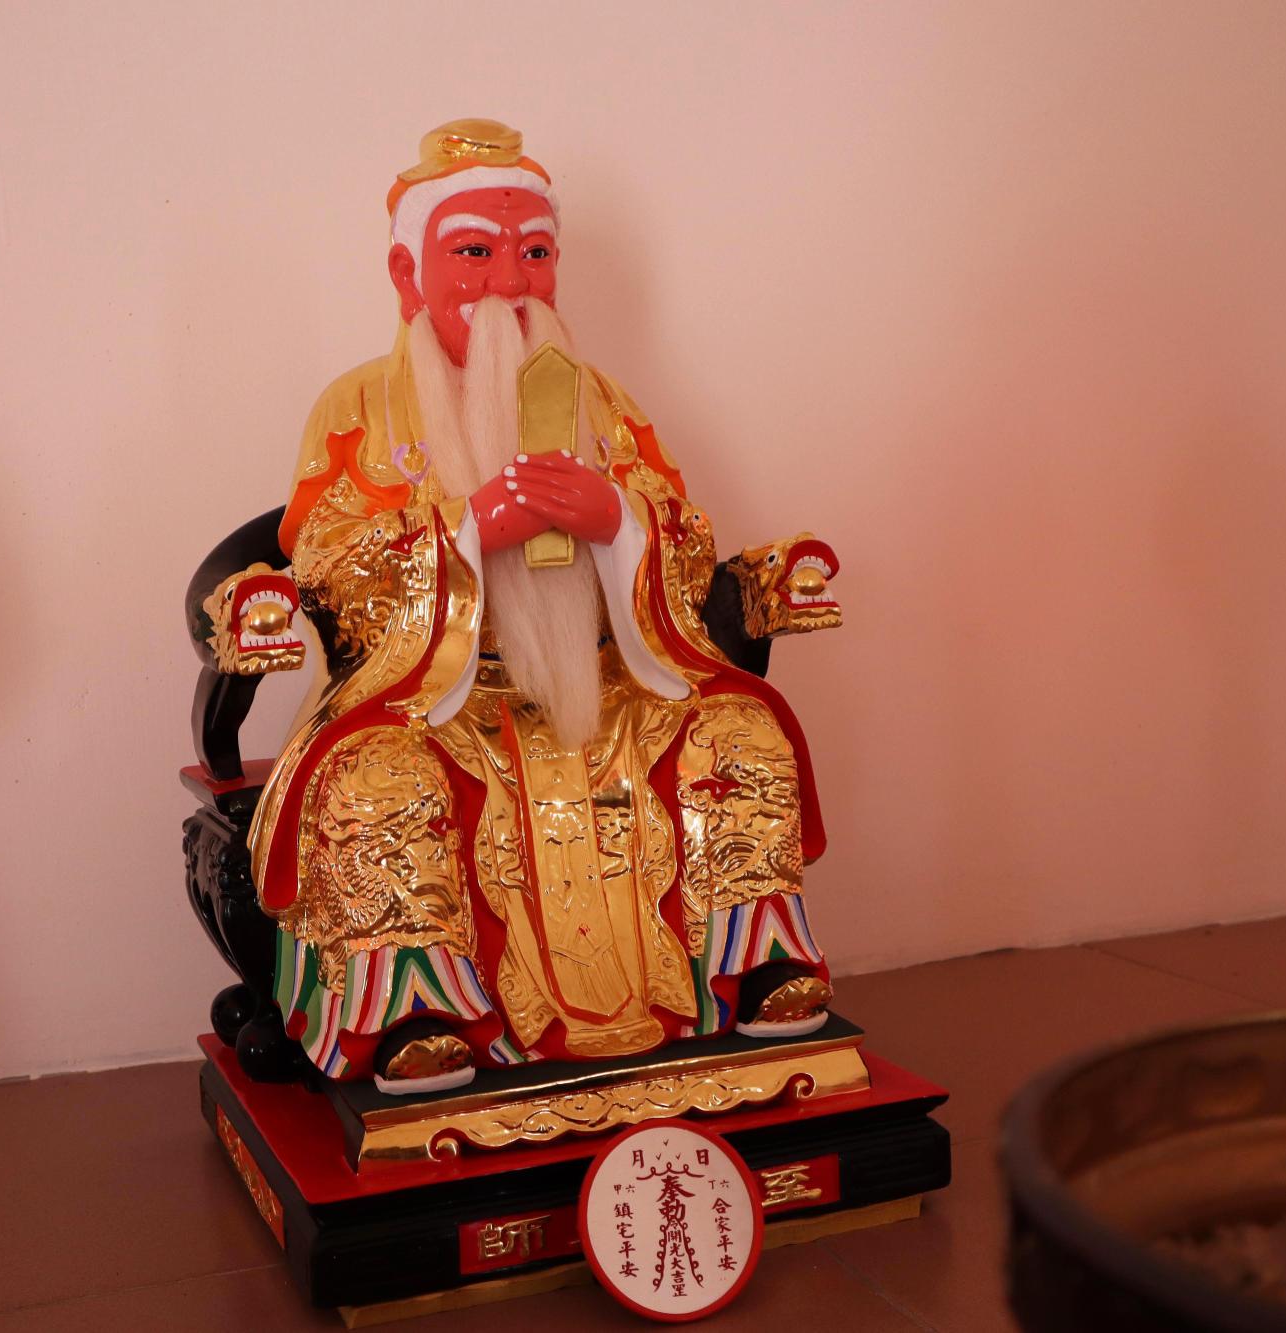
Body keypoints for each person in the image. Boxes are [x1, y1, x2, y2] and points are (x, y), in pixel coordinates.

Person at [239, 120, 842, 1093]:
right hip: (436, 697)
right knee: (375, 783)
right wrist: (466, 529)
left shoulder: (603, 399)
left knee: (738, 735)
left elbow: (688, 542)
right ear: (407, 274)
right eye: (474, 252)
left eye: (533, 253)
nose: (508, 281)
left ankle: (756, 968)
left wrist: (618, 521)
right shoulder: (358, 407)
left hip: (609, 684)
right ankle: (416, 1010)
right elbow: (325, 563)